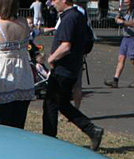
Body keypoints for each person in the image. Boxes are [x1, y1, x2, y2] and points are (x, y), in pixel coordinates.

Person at [44, 0, 102, 149]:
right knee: (61, 103)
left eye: (55, 0)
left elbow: (65, 46)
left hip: (63, 69)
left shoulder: (70, 18)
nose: (53, 3)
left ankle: (48, 140)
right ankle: (92, 130)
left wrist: (51, 57)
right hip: (70, 68)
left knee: (50, 104)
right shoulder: (77, 15)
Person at [0, 0, 33, 128]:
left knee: (2, 124)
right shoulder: (23, 23)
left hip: (4, 76)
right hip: (23, 74)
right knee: (19, 124)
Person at [104, 0, 134, 88]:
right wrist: (118, 19)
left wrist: (123, 22)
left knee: (133, 59)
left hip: (133, 38)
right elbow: (121, 19)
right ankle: (115, 80)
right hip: (125, 38)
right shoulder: (125, 11)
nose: (126, 4)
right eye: (125, 3)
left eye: (127, 2)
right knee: (121, 58)